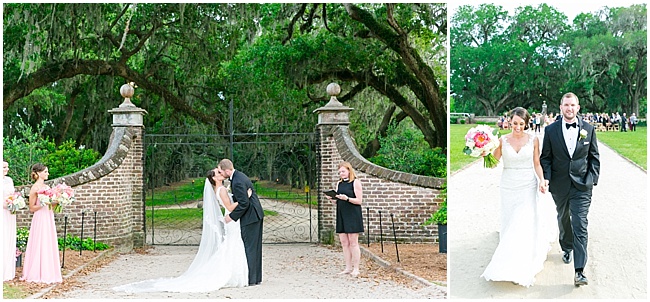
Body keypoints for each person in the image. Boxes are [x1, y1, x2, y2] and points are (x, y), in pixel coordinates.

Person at [114, 169, 248, 292]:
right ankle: (232, 276)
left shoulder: (220, 189)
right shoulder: (222, 190)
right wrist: (245, 198)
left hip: (230, 221)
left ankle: (234, 275)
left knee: (231, 245)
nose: (221, 173)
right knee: (232, 245)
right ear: (215, 178)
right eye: (218, 173)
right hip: (231, 221)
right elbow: (230, 208)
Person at [480, 107, 556, 287]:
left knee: (522, 221)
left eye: (521, 124)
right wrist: (484, 153)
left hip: (528, 185)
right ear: (509, 122)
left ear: (526, 123)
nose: (518, 127)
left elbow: (537, 164)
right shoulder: (501, 141)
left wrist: (542, 180)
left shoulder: (534, 140)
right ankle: (507, 257)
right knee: (510, 221)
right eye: (515, 123)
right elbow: (493, 163)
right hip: (508, 185)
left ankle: (521, 262)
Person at [540, 92, 600, 286]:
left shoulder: (589, 130)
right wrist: (547, 178)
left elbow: (594, 158)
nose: (570, 108)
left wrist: (592, 179)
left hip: (582, 185)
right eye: (566, 105)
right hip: (559, 185)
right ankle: (566, 246)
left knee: (580, 223)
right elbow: (545, 158)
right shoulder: (550, 131)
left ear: (578, 107)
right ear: (561, 107)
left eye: (573, 105)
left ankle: (580, 271)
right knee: (563, 217)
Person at [218, 159, 264, 286]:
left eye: (221, 171)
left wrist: (231, 217)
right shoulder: (239, 176)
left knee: (250, 247)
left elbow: (244, 203)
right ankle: (255, 277)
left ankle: (252, 278)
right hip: (254, 215)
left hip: (251, 217)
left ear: (227, 170)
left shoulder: (237, 181)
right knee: (254, 247)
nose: (221, 173)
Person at [21, 163, 62, 283]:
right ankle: (36, 272)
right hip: (40, 217)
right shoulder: (35, 188)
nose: (47, 174)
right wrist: (43, 204)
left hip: (48, 216)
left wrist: (58, 201)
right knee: (40, 241)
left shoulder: (46, 186)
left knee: (48, 241)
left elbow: (51, 203)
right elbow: (32, 208)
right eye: (45, 172)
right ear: (38, 173)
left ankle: (49, 271)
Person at [325, 162, 364, 278]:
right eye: (340, 172)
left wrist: (347, 198)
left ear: (349, 170)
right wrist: (331, 198)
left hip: (352, 214)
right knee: (344, 242)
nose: (341, 174)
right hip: (341, 213)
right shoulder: (339, 184)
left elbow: (359, 200)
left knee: (353, 242)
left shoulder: (355, 182)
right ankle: (348, 267)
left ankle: (356, 268)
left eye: (343, 171)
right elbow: (337, 201)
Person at [3, 161, 17, 281]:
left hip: (10, 212)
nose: (7, 169)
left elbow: (12, 194)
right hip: (2, 212)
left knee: (9, 237)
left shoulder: (9, 180)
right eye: (4, 167)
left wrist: (15, 202)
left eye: (7, 167)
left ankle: (8, 270)